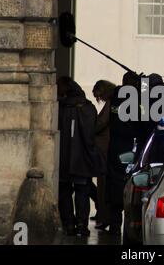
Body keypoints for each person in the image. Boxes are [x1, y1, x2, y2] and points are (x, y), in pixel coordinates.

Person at [57, 77, 104, 237]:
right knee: (82, 193)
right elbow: (93, 135)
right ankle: (82, 226)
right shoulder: (89, 108)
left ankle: (69, 224)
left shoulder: (59, 108)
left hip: (63, 159)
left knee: (64, 193)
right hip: (82, 159)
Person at [106, 71, 141, 235]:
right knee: (128, 185)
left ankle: (114, 224)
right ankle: (127, 225)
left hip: (114, 146)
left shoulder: (116, 96)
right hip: (129, 147)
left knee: (114, 184)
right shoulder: (135, 100)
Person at [91, 80, 116, 231]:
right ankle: (103, 214)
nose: (98, 99)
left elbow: (100, 123)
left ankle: (104, 216)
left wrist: (89, 129)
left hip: (104, 150)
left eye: (98, 95)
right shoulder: (113, 103)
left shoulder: (110, 104)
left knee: (104, 184)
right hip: (106, 150)